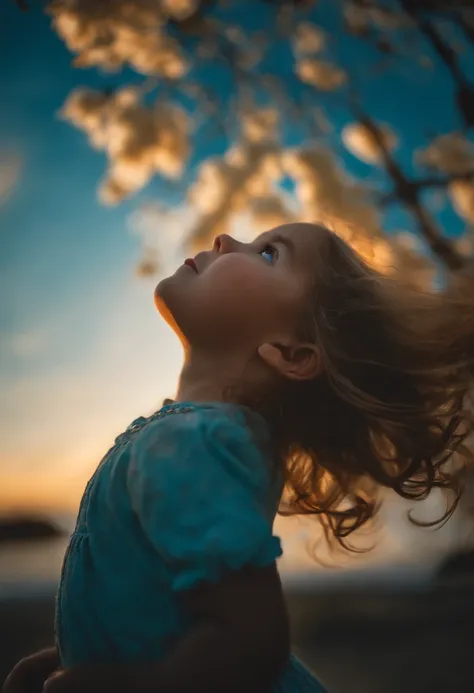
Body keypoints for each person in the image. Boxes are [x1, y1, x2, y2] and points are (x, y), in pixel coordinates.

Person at [4, 222, 474, 693]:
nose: (225, 239)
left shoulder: (198, 443)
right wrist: (87, 651)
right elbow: (165, 600)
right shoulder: (201, 436)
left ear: (292, 353)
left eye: (269, 253)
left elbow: (249, 641)